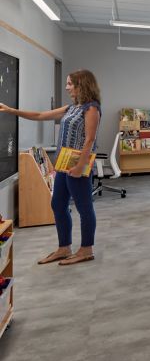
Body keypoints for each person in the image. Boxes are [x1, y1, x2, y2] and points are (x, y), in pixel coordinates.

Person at [0, 69, 101, 265]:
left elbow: (90, 140)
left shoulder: (91, 108)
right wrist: (12, 111)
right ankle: (64, 248)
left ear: (82, 85)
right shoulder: (71, 108)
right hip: (63, 162)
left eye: (70, 84)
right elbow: (39, 115)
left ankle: (86, 249)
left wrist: (80, 167)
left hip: (77, 163)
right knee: (58, 205)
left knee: (84, 207)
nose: (67, 87)